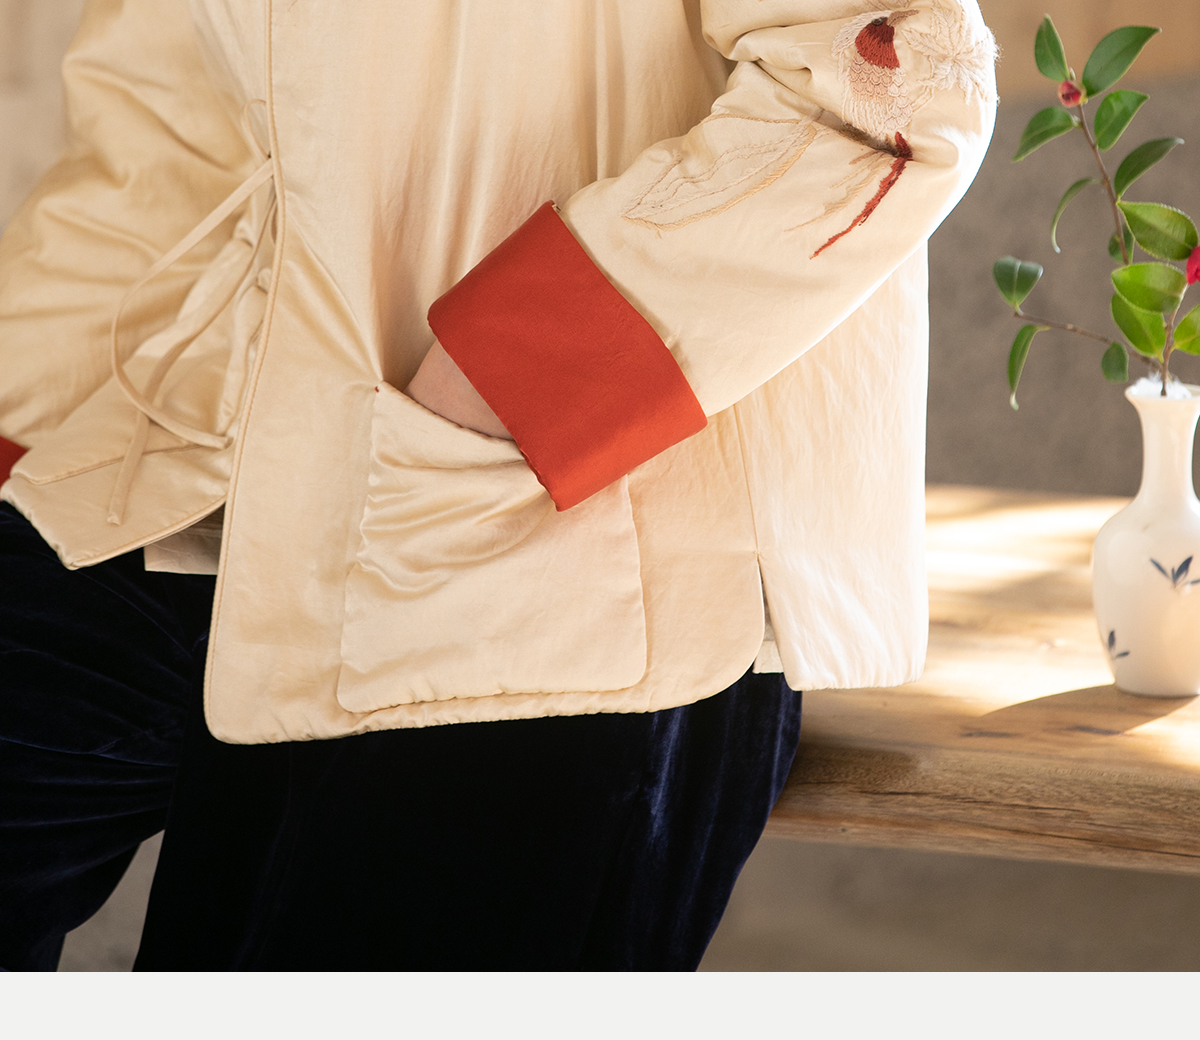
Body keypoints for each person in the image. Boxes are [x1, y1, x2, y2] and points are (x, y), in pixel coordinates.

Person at [0, 0, 996, 968]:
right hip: (187, 476)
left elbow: (888, 78)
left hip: (554, 543)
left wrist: (519, 372)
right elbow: (160, 116)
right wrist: (22, 419)